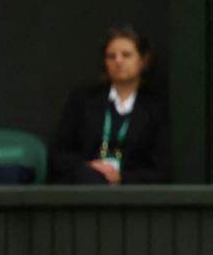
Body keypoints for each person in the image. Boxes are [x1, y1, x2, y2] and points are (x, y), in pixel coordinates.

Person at [49, 25, 169, 184]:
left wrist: (122, 178)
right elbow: (58, 154)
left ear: (143, 60)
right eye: (111, 56)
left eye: (126, 55)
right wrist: (89, 167)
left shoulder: (155, 108)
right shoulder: (83, 100)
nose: (118, 61)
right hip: (84, 185)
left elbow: (162, 170)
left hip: (131, 196)